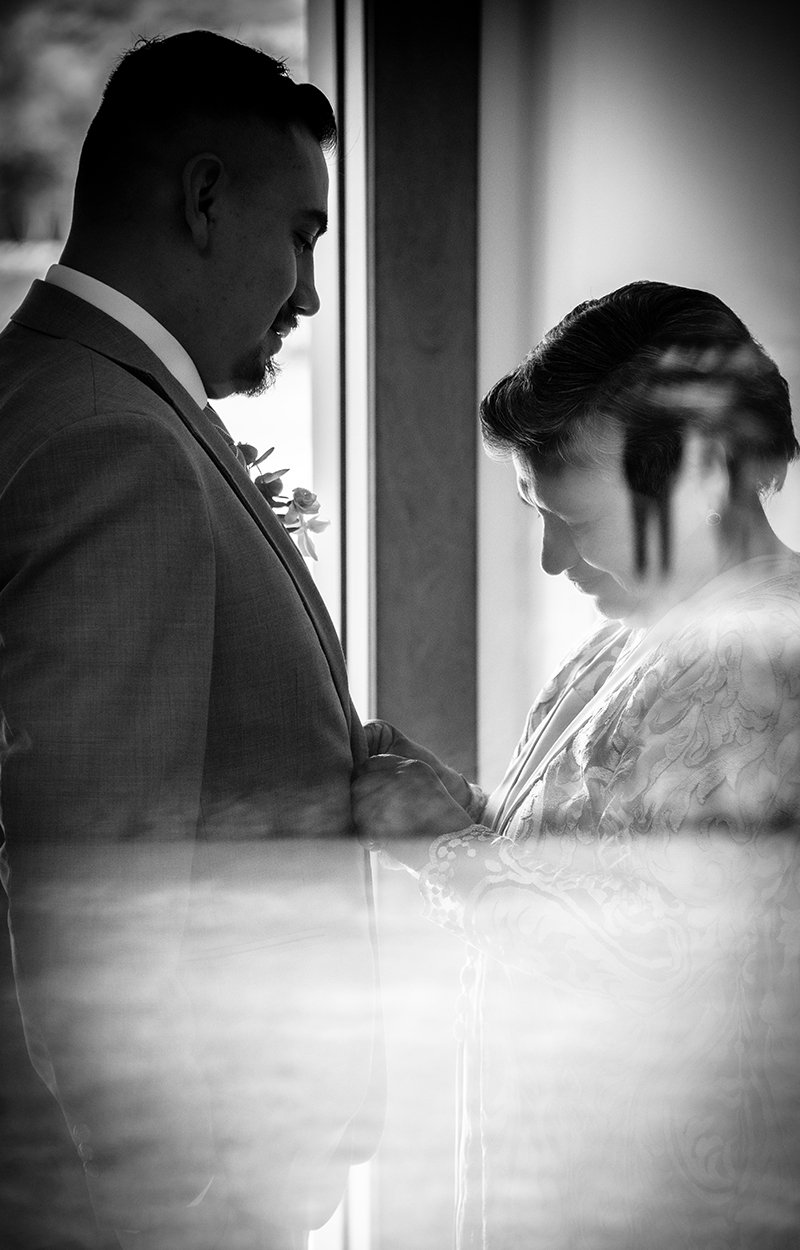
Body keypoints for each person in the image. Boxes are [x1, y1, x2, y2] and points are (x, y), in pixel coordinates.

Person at [0, 31, 382, 1250]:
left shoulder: (66, 390)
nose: (309, 293)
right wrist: (172, 1198)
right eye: (302, 235)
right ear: (205, 198)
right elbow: (94, 874)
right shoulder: (116, 442)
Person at [353, 282, 800, 1249]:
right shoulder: (644, 632)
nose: (554, 560)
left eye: (580, 521)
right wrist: (469, 810)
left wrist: (445, 850)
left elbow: (658, 959)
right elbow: (606, 860)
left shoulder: (764, 659)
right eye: (538, 511)